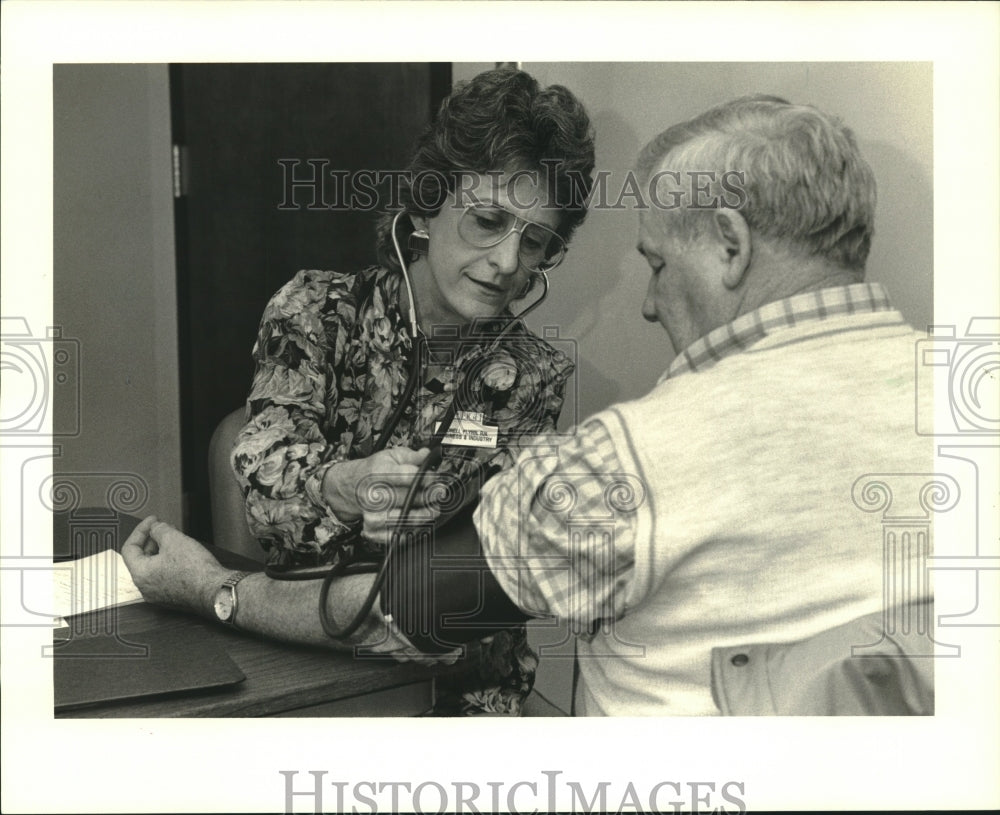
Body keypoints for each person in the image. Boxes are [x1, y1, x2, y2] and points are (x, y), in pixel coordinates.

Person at [122, 67, 596, 716]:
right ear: (428, 206)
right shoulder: (316, 312)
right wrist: (340, 485)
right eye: (488, 220)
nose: (509, 262)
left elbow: (465, 603)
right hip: (290, 665)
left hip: (454, 701)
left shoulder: (529, 375)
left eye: (535, 239)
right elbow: (263, 489)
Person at [472, 95, 935, 715]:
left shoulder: (630, 457)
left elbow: (416, 606)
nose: (649, 303)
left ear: (730, 245)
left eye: (658, 265)